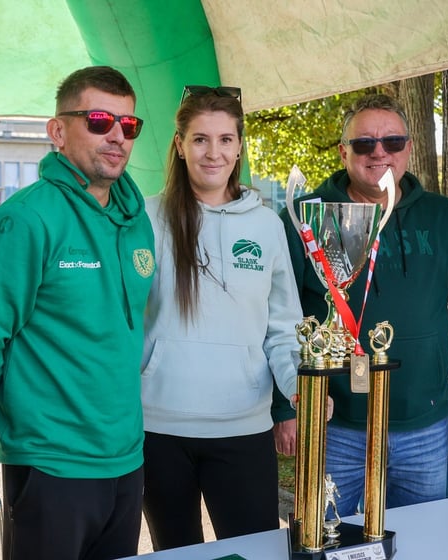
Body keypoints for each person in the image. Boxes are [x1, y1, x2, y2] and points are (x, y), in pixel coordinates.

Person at [273, 93, 448, 516]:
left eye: (393, 142)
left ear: (410, 148)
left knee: (419, 542)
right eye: (364, 144)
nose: (379, 152)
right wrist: (285, 406)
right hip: (331, 427)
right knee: (324, 541)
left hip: (424, 429)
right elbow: (277, 321)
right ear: (344, 152)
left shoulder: (445, 219)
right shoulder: (304, 220)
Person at [0, 66, 155, 560]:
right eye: (99, 120)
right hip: (51, 460)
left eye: (129, 125)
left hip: (125, 456)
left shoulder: (137, 224)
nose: (117, 134)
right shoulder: (24, 221)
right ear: (58, 131)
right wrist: (16, 409)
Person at [139, 85, 302, 550]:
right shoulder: (147, 220)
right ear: (179, 144)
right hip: (158, 429)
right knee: (175, 551)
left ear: (239, 146)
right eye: (200, 139)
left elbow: (283, 327)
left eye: (226, 139)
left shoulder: (267, 225)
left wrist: (297, 389)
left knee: (253, 551)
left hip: (242, 428)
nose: (213, 152)